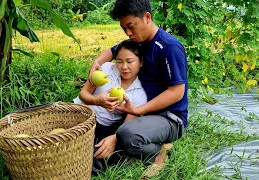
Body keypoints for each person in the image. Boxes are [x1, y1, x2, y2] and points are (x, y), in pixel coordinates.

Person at [88, 0, 188, 173]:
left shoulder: (169, 47)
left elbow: (176, 92)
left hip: (169, 117)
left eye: (131, 26)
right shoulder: (138, 42)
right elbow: (111, 52)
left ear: (147, 17)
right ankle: (133, 144)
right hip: (141, 111)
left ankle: (158, 152)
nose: (128, 33)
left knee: (126, 135)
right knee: (99, 135)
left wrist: (139, 110)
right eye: (124, 28)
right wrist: (96, 64)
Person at [73, 39, 147, 160]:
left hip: (100, 126)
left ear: (141, 62)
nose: (124, 67)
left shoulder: (140, 93)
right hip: (79, 112)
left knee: (91, 156)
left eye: (130, 61)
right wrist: (96, 101)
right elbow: (83, 94)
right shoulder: (106, 69)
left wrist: (114, 139)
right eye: (119, 61)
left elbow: (126, 127)